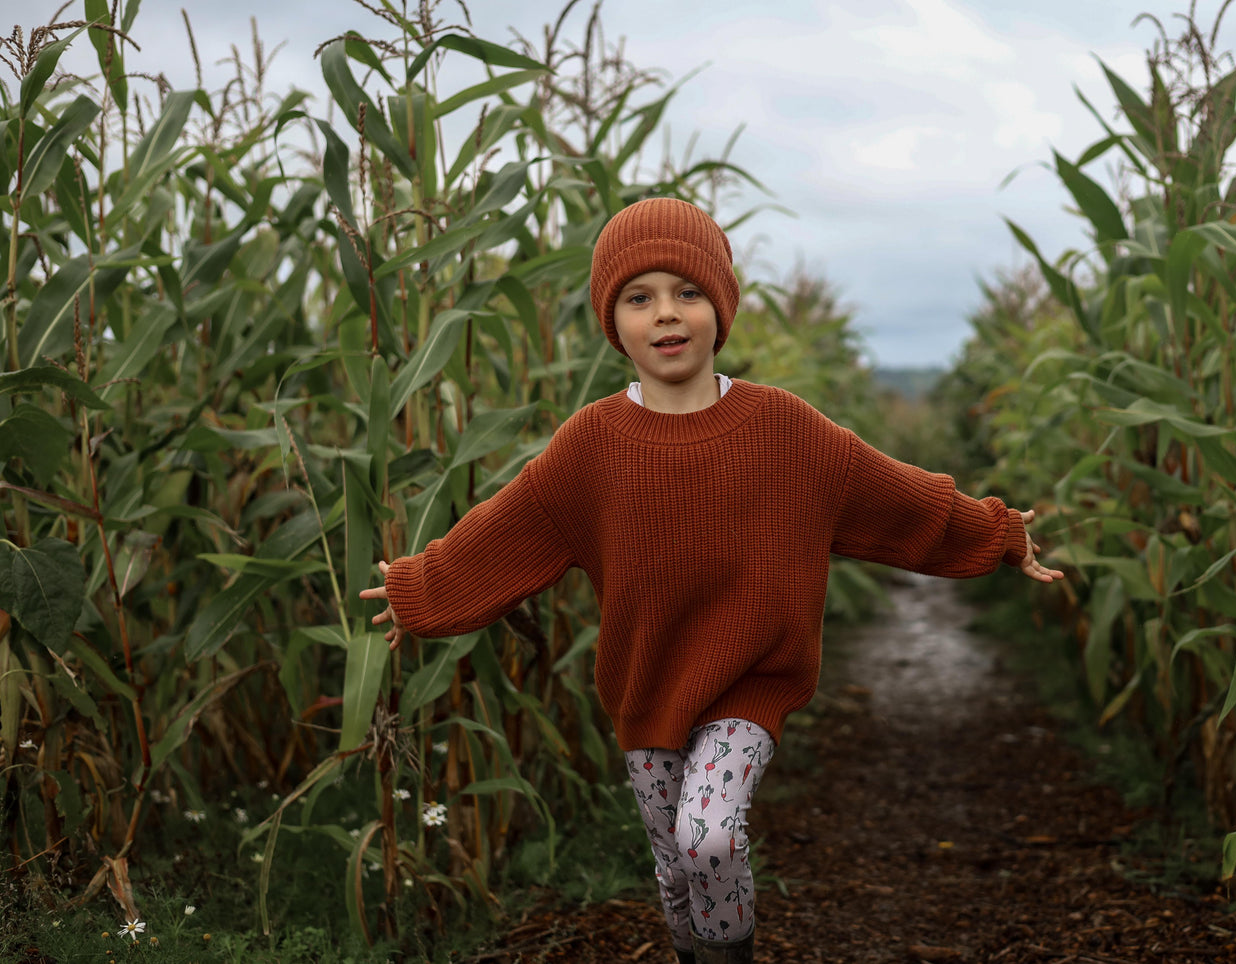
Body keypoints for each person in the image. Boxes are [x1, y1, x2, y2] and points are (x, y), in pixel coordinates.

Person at [360, 197, 1064, 964]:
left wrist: (997, 532)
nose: (666, 314)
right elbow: (508, 529)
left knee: (708, 838)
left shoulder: (785, 428)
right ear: (613, 320)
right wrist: (421, 593)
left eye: (686, 293)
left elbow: (891, 495)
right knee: (673, 868)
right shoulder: (590, 445)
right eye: (640, 297)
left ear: (719, 307)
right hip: (646, 684)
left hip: (751, 682)